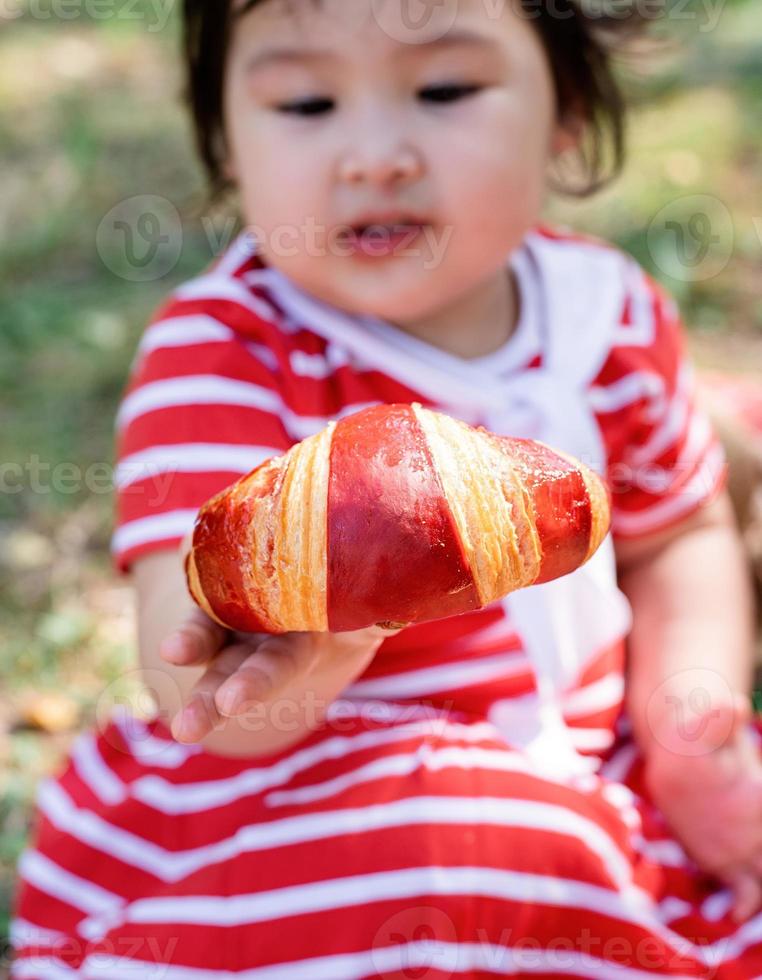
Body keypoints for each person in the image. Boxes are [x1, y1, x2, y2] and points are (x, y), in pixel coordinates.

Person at [10, 0, 762, 975]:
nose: (374, 154)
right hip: (306, 796)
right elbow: (199, 692)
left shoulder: (608, 316)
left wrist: (688, 738)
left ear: (566, 111)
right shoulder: (224, 353)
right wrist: (326, 640)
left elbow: (678, 538)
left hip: (573, 779)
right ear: (227, 145)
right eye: (307, 101)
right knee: (440, 855)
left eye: (445, 88)